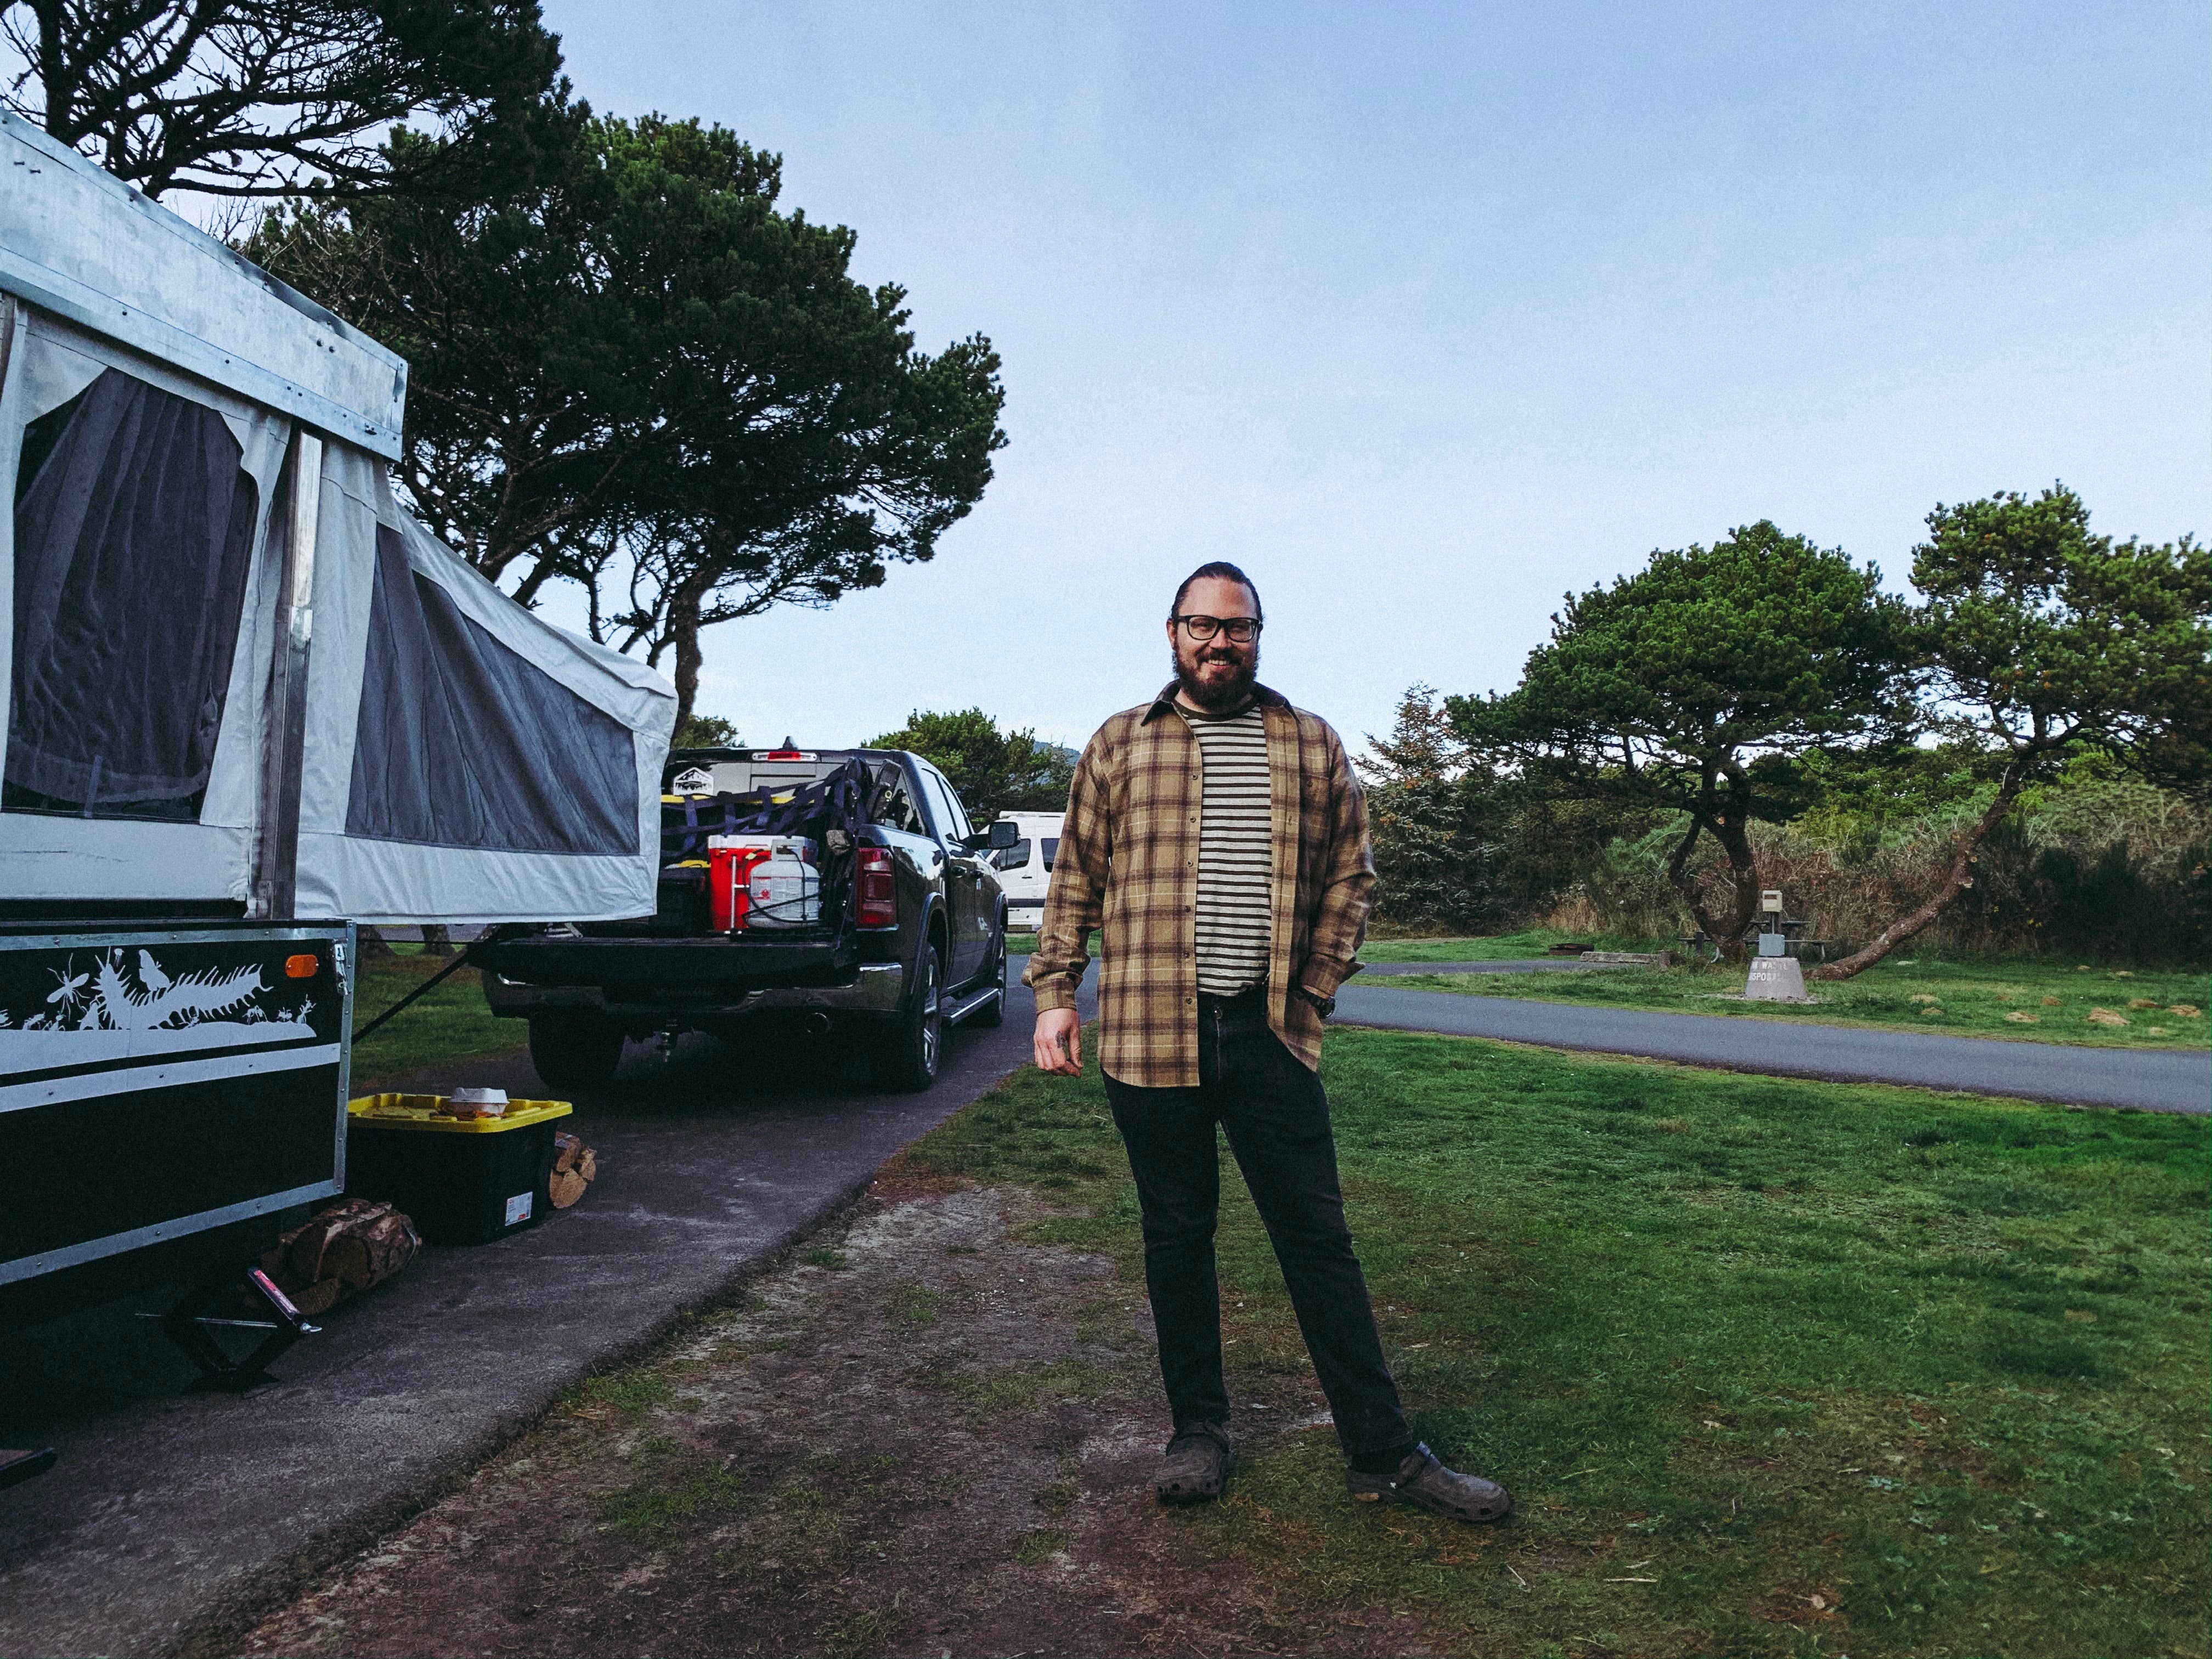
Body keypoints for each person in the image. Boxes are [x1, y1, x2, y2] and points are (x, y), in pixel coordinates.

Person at [1024, 561, 1511, 1523]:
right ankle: (1197, 1434)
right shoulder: (1121, 744)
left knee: (1318, 1241)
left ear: (1258, 635)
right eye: (1202, 626)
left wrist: (1318, 988)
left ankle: (1382, 1452)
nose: (1220, 642)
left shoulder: (1309, 742)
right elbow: (1075, 877)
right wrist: (1053, 993)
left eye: (1238, 628)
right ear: (1172, 633)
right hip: (1148, 1034)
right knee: (1178, 1238)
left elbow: (1351, 878)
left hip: (1268, 1036)